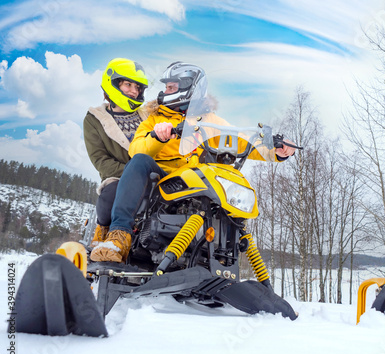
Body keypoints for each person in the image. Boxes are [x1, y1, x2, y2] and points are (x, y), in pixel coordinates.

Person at [90, 62, 296, 263]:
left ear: (189, 87)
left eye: (171, 86)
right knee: (140, 161)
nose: (165, 90)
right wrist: (158, 137)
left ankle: (219, 254)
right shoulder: (155, 118)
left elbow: (239, 139)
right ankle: (119, 236)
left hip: (195, 179)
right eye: (166, 87)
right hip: (163, 177)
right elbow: (136, 149)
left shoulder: (209, 120)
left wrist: (274, 151)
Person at [83, 58, 149, 248]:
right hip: (118, 178)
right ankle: (104, 234)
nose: (134, 91)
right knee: (110, 194)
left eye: (137, 87)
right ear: (113, 84)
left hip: (157, 174)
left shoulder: (149, 115)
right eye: (128, 84)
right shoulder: (94, 119)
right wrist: (134, 173)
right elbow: (100, 160)